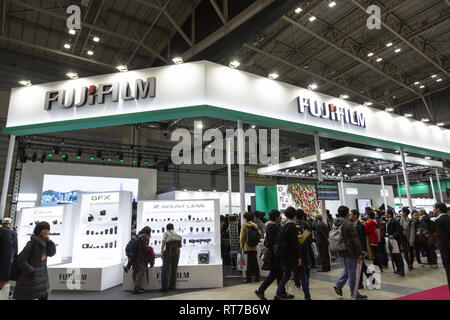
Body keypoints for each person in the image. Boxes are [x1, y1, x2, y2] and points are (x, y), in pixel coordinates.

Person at [13, 222, 56, 300]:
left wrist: (49, 242)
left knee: (43, 295)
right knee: (27, 296)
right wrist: (31, 271)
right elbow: (21, 260)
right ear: (39, 230)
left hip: (42, 277)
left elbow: (51, 253)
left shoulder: (46, 242)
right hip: (31, 278)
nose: (46, 231)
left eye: (48, 229)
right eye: (44, 229)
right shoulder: (31, 244)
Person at [332, 206, 367, 300]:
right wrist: (359, 253)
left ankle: (339, 285)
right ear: (347, 213)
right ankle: (354, 293)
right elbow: (355, 240)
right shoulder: (349, 224)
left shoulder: (335, 223)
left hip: (340, 250)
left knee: (347, 269)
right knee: (352, 273)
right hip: (350, 251)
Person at [255, 210, 290, 300]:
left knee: (279, 274)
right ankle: (260, 290)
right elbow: (273, 242)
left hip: (274, 255)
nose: (281, 218)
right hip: (274, 255)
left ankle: (282, 292)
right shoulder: (272, 227)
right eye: (279, 216)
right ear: (276, 217)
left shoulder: (271, 226)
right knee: (274, 274)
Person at [275, 207, 307, 300]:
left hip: (285, 254)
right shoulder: (292, 226)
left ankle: (278, 294)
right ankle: (277, 295)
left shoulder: (283, 224)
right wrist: (299, 257)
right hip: (291, 255)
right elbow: (294, 243)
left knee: (287, 275)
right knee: (292, 275)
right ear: (294, 215)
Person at [131, 226, 155, 294]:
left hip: (133, 257)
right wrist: (150, 249)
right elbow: (145, 248)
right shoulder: (145, 237)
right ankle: (137, 289)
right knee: (141, 272)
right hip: (140, 257)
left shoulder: (137, 235)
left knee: (135, 271)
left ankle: (136, 286)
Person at [350, 210, 370, 289]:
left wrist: (363, 249)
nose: (350, 215)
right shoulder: (353, 224)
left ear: (355, 215)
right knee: (362, 266)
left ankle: (360, 284)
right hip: (355, 249)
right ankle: (372, 279)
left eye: (351, 214)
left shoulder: (360, 225)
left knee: (360, 266)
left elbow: (363, 238)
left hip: (360, 249)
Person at [239, 212, 261, 283]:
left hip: (247, 247)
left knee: (248, 263)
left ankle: (248, 279)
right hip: (254, 247)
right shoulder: (255, 225)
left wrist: (241, 246)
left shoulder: (244, 226)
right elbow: (259, 234)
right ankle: (257, 278)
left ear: (245, 218)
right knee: (255, 262)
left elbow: (242, 237)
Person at [433, 203, 450, 293]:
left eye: (434, 208)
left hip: (447, 252)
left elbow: (443, 238)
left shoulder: (438, 221)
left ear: (438, 209)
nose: (433, 210)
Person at [161, 223, 182, 291]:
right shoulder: (176, 234)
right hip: (176, 252)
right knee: (174, 269)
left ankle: (165, 288)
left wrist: (161, 252)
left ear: (166, 228)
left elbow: (163, 243)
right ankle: (172, 286)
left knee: (166, 269)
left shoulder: (166, 233)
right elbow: (180, 246)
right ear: (173, 228)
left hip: (168, 251)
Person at [385, 209, 405, 276]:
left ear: (390, 214)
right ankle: (398, 269)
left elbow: (398, 231)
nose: (385, 214)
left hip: (395, 240)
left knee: (398, 255)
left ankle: (402, 270)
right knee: (393, 255)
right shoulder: (388, 221)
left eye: (386, 213)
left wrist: (393, 235)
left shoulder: (394, 221)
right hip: (390, 239)